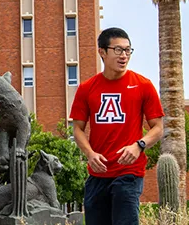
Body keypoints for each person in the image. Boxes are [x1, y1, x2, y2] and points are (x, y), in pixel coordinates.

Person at [70, 27, 164, 225]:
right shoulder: (87, 88)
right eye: (118, 50)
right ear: (102, 52)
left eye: (128, 50)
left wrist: (139, 145)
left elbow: (158, 128)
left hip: (129, 171)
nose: (124, 56)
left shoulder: (143, 85)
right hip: (98, 172)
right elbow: (77, 128)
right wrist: (90, 154)